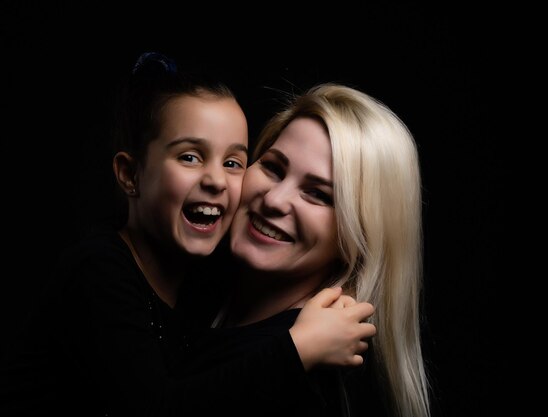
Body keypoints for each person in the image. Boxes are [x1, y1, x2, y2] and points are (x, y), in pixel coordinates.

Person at [0, 54, 375, 416]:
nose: (214, 180)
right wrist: (300, 348)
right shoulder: (99, 269)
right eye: (190, 157)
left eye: (232, 163)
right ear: (130, 175)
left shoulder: (203, 281)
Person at [186, 83, 430, 416]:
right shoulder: (195, 287)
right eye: (273, 168)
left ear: (359, 238)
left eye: (318, 194)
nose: (273, 200)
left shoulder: (321, 378)